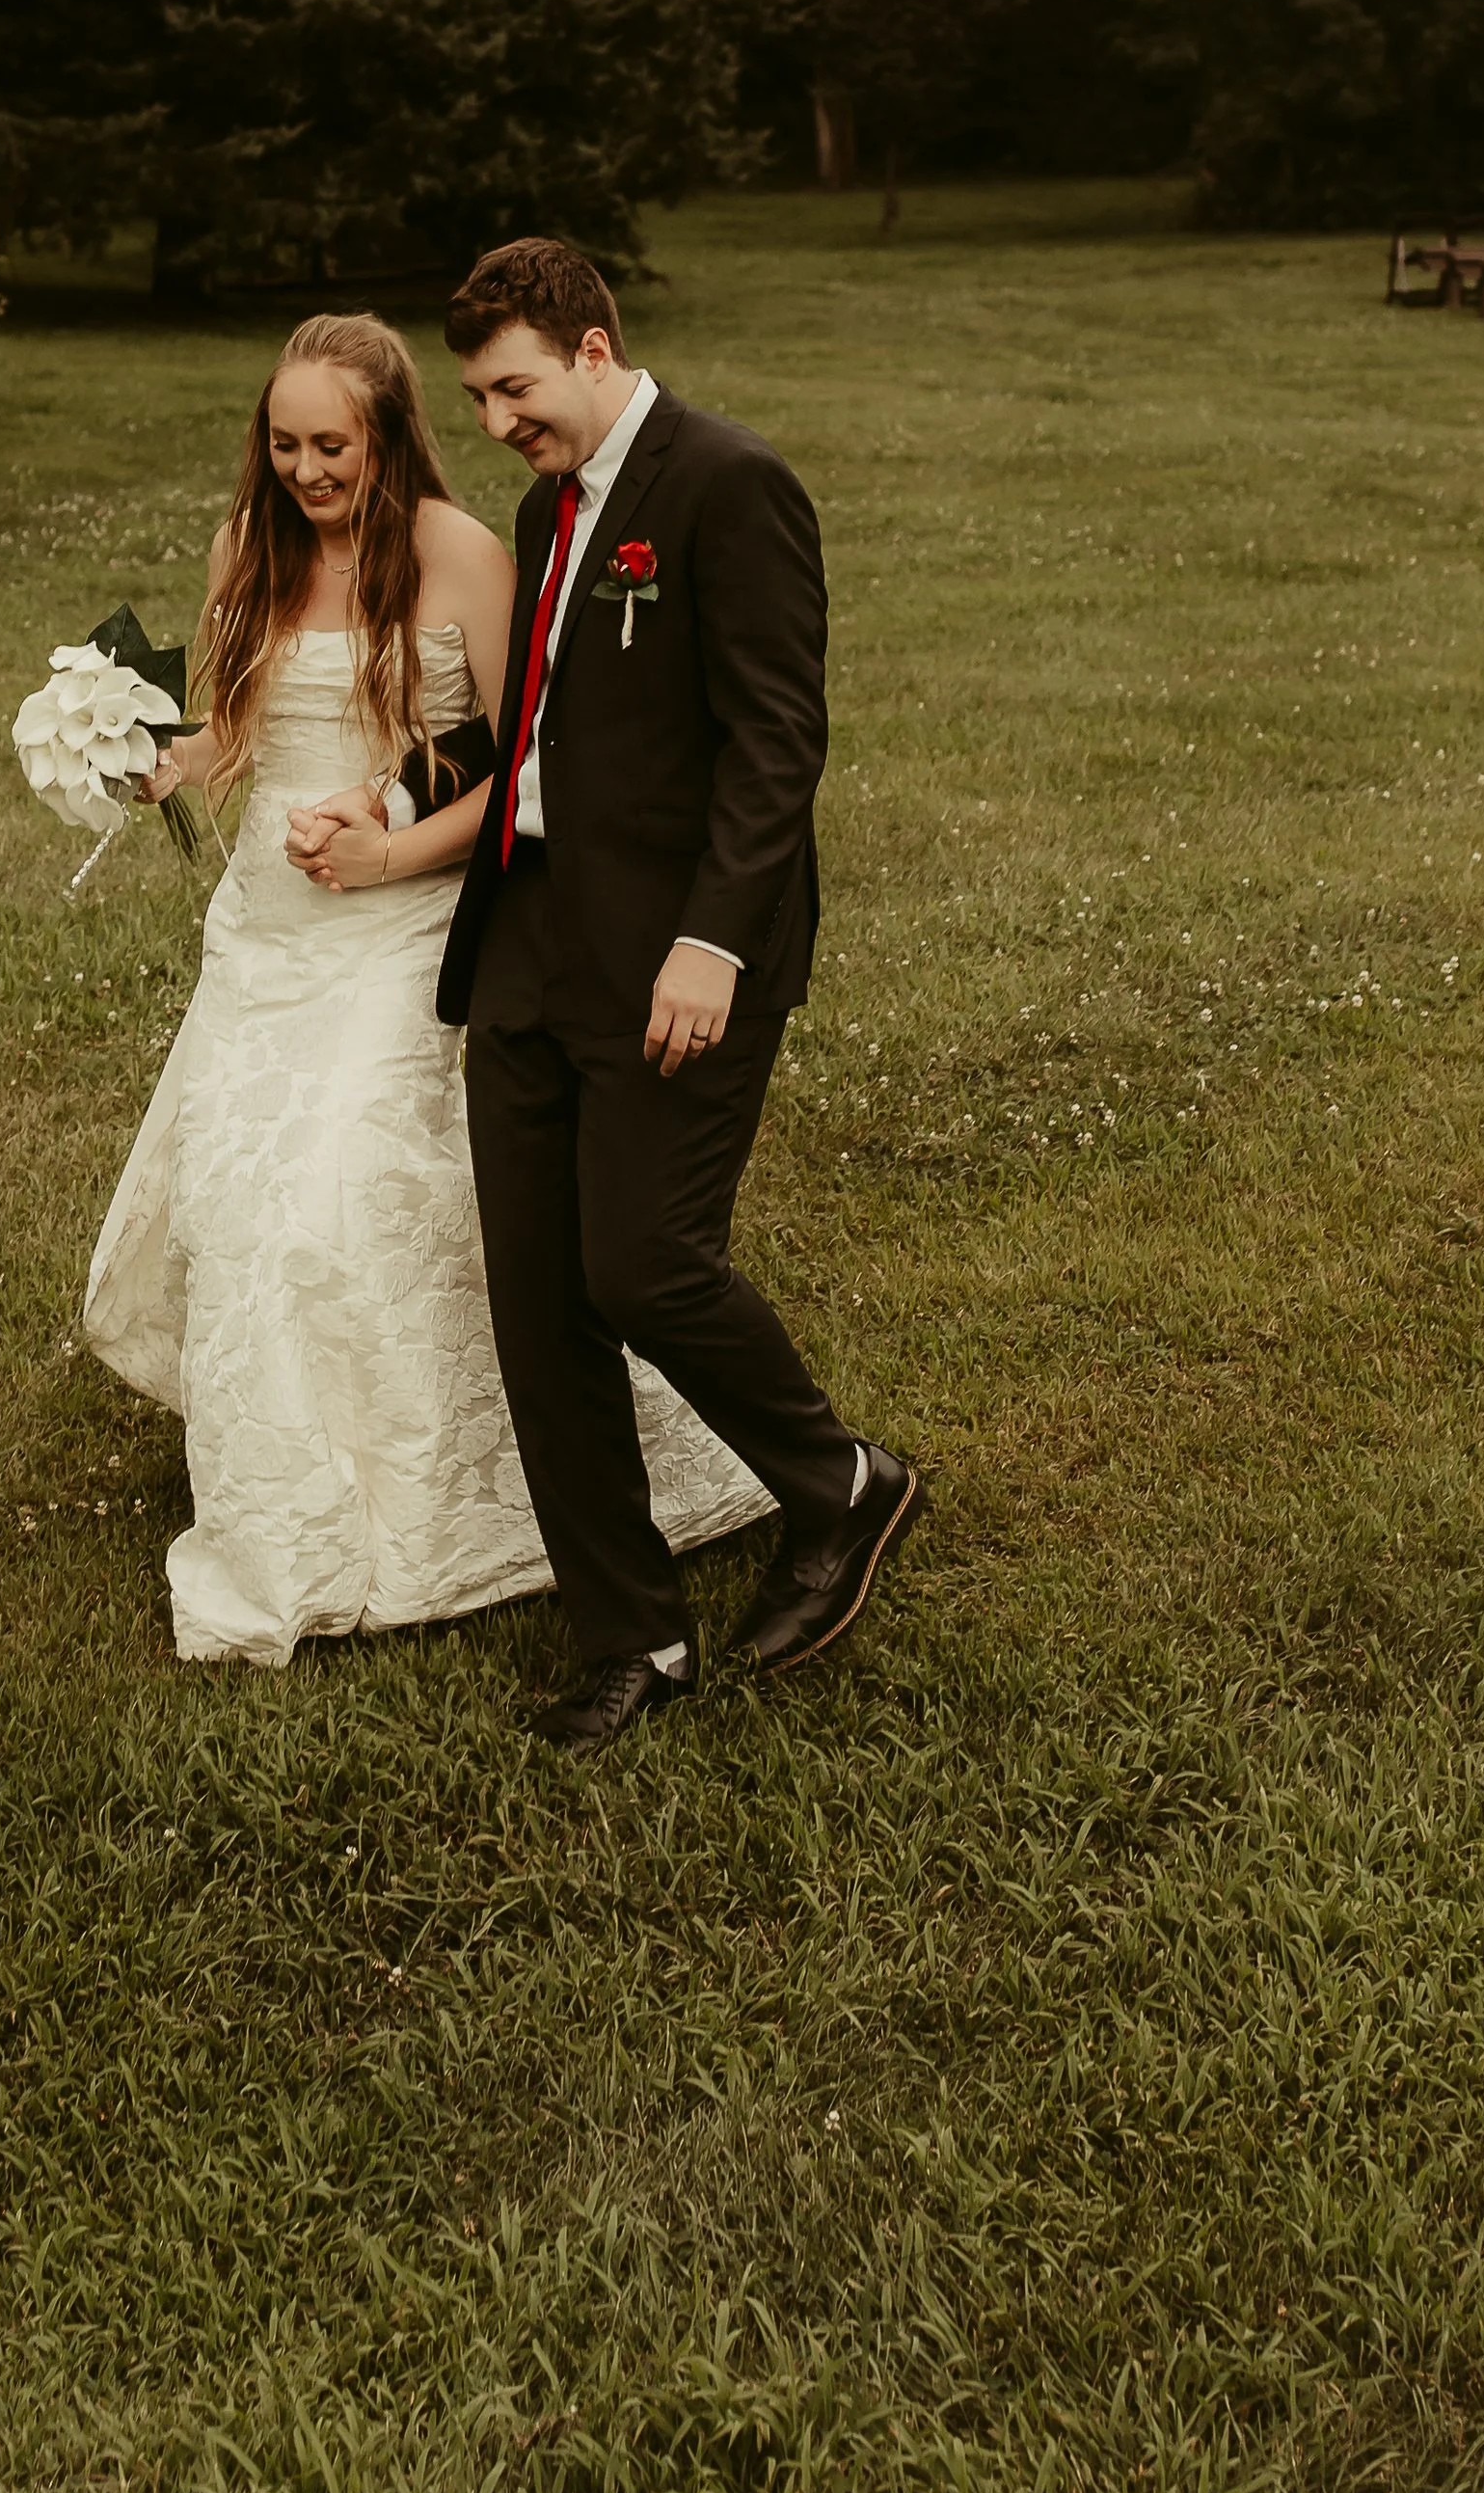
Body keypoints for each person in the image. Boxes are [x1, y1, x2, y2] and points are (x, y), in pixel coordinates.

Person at [294, 241, 923, 1747]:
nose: (498, 419)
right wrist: (385, 811)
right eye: (478, 395)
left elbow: (779, 738)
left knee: (640, 1264)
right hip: (529, 949)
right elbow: (532, 736)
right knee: (536, 1306)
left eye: (513, 386)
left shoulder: (729, 483)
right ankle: (633, 1635)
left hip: (677, 960)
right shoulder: (545, 507)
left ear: (593, 348)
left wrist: (711, 939)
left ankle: (842, 1483)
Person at [80, 310, 768, 1667]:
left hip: (407, 920)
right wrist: (143, 760)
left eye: (330, 443)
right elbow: (240, 729)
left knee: (343, 1196)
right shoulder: (249, 549)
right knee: (245, 1206)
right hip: (266, 930)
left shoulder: (463, 554)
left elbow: (524, 768)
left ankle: (455, 1484)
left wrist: (389, 844)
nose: (304, 469)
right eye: (281, 443)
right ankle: (300, 1487)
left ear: (390, 433)